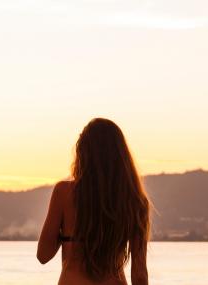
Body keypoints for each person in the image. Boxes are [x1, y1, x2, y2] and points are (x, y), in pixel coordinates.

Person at [37, 118, 151, 285]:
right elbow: (139, 274)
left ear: (83, 152)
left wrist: (68, 232)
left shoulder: (64, 192)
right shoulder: (134, 201)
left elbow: (43, 255)